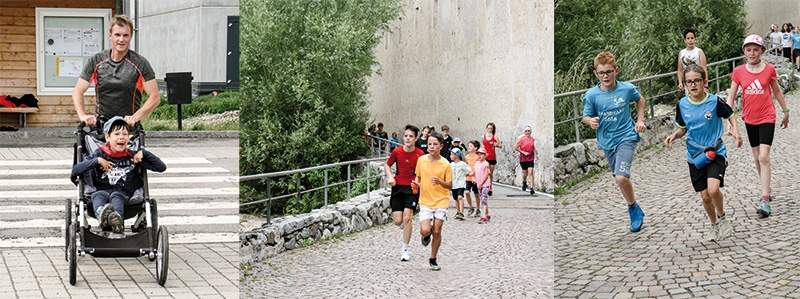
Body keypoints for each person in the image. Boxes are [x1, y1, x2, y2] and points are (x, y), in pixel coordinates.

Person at [665, 64, 743, 241]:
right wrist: (674, 135)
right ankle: (714, 225)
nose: (693, 85)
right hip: (694, 156)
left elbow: (730, 114)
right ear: (684, 84)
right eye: (689, 82)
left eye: (697, 81)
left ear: (704, 82)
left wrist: (736, 131)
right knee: (706, 197)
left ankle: (722, 218)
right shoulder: (682, 105)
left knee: (714, 190)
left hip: (716, 152)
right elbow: (682, 128)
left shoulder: (714, 101)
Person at [582, 51, 647, 232]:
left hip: (626, 136)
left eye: (609, 72)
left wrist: (640, 120)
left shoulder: (626, 89)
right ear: (596, 74)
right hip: (606, 142)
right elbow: (585, 116)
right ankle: (634, 206)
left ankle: (632, 210)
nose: (606, 76)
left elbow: (640, 99)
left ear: (616, 70)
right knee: (620, 179)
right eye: (601, 73)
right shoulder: (592, 95)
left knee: (621, 176)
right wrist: (591, 121)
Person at [726, 35, 790, 218]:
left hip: (767, 116)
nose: (752, 53)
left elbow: (776, 90)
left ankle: (764, 199)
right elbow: (730, 98)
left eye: (755, 49)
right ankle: (766, 187)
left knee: (763, 156)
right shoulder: (738, 71)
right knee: (756, 157)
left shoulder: (769, 69)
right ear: (744, 51)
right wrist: (729, 122)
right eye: (748, 49)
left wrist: (785, 111)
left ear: (762, 50)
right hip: (749, 118)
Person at [71, 116, 166, 234]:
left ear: (128, 138)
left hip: (123, 192)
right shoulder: (99, 153)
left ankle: (117, 221)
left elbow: (162, 167)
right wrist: (98, 161)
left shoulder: (132, 156)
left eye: (125, 134)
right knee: (98, 196)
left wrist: (144, 153)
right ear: (107, 137)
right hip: (101, 189)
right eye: (116, 134)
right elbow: (76, 170)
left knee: (116, 197)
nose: (121, 137)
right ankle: (102, 216)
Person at [72, 15, 160, 130]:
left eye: (125, 35)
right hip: (101, 127)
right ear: (110, 36)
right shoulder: (96, 60)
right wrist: (82, 115)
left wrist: (135, 117)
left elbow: (155, 97)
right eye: (117, 35)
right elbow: (78, 90)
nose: (121, 39)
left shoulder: (140, 63)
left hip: (128, 127)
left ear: (131, 36)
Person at [384, 125, 425, 261]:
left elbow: (424, 171)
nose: (408, 138)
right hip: (398, 187)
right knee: (398, 221)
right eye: (406, 136)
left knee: (408, 218)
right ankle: (403, 225)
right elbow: (387, 165)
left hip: (412, 188)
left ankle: (405, 250)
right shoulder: (397, 152)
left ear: (415, 139)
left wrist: (419, 183)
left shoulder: (420, 154)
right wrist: (390, 177)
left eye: (411, 136)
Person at [415, 132, 452, 271]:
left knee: (437, 231)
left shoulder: (445, 164)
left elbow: (450, 185)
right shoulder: (421, 160)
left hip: (441, 200)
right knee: (425, 230)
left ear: (441, 146)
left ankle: (433, 259)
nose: (431, 146)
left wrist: (440, 182)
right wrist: (416, 184)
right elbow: (418, 176)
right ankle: (426, 234)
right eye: (429, 144)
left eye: (435, 144)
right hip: (425, 200)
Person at [677, 28, 708, 96]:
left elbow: (704, 69)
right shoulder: (682, 53)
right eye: (688, 38)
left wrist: (706, 85)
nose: (690, 40)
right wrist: (680, 82)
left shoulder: (699, 52)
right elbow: (680, 70)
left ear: (695, 39)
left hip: (698, 81)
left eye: (692, 38)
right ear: (685, 40)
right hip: (688, 81)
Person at [449, 148, 471, 220]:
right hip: (454, 183)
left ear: (457, 155)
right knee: (455, 198)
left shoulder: (462, 164)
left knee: (460, 197)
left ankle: (461, 212)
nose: (450, 156)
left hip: (461, 183)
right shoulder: (451, 165)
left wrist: (467, 175)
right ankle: (458, 211)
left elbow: (469, 170)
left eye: (452, 154)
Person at [515, 126, 537, 195]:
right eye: (526, 131)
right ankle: (524, 181)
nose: (527, 132)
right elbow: (516, 148)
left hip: (530, 158)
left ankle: (531, 188)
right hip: (523, 159)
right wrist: (523, 152)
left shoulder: (533, 139)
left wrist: (535, 151)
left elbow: (533, 147)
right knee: (525, 174)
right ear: (524, 132)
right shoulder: (522, 140)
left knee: (530, 173)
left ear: (531, 132)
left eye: (528, 131)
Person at [482, 122, 503, 195]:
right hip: (486, 157)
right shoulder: (483, 137)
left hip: (492, 157)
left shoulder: (495, 137)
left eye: (491, 128)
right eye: (488, 128)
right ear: (486, 129)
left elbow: (500, 145)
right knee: (487, 173)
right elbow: (483, 146)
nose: (489, 130)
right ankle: (487, 187)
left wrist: (496, 145)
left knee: (490, 173)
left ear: (493, 129)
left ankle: (490, 186)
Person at [473, 148, 492, 224]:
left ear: (485, 155)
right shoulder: (476, 163)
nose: (479, 155)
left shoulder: (485, 164)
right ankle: (487, 214)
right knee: (482, 199)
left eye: (481, 154)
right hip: (478, 184)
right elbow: (473, 172)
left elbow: (486, 174)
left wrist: (481, 183)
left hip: (484, 185)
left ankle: (484, 216)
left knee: (484, 199)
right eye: (478, 154)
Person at [464, 140, 481, 217]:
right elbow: (466, 165)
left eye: (471, 146)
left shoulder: (478, 157)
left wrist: (474, 175)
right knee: (467, 192)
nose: (469, 147)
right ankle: (471, 207)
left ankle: (478, 208)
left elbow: (477, 167)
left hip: (476, 177)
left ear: (476, 148)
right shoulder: (467, 156)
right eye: (469, 146)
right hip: (468, 177)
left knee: (476, 194)